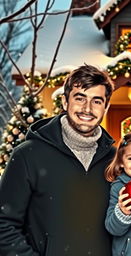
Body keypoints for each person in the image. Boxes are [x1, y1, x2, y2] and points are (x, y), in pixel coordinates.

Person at [0, 64, 116, 256]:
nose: (87, 109)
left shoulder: (114, 159)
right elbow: (4, 225)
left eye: (96, 101)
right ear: (65, 102)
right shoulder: (28, 155)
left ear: (106, 106)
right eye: (80, 98)